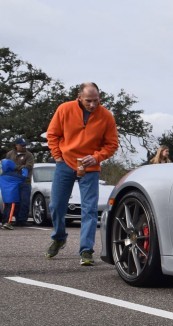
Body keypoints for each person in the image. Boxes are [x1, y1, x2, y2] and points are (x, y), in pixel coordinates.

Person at [45, 82, 119, 265]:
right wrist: (57, 156)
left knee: (90, 210)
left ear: (99, 98)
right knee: (56, 205)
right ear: (79, 97)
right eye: (88, 101)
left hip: (90, 167)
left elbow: (111, 145)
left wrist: (96, 157)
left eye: (96, 100)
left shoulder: (107, 116)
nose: (92, 105)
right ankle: (59, 237)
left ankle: (86, 250)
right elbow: (52, 135)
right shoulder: (64, 109)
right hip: (65, 163)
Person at [5, 136, 35, 226]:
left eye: (25, 145)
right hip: (12, 181)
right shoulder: (10, 154)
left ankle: (22, 220)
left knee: (24, 201)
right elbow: (6, 166)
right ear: (16, 145)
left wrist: (15, 167)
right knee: (12, 201)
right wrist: (19, 167)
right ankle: (9, 219)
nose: (24, 147)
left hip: (25, 182)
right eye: (22, 145)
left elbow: (28, 166)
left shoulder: (29, 155)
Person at [0, 158, 28, 230]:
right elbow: (24, 177)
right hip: (12, 195)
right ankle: (8, 223)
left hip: (5, 196)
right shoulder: (14, 176)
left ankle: (4, 222)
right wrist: (24, 169)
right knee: (11, 209)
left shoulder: (2, 176)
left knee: (6, 209)